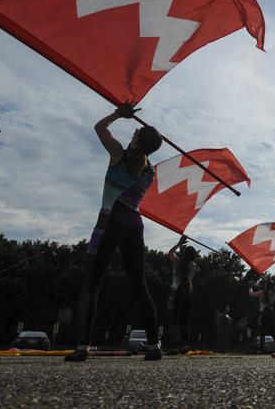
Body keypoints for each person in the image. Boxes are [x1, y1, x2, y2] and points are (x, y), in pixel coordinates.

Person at [65, 104, 163, 362]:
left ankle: (82, 346)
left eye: (137, 132)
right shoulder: (150, 170)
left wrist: (119, 114)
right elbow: (143, 151)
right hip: (135, 223)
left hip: (111, 219)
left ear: (138, 138)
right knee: (139, 286)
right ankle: (154, 345)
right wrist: (142, 135)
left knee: (92, 283)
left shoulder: (119, 154)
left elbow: (99, 127)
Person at [167, 236, 198, 353]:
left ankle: (173, 346)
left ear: (184, 254)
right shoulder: (193, 266)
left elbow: (170, 252)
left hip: (176, 292)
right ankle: (184, 345)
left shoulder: (177, 262)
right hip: (189, 293)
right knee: (184, 321)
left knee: (174, 319)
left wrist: (179, 243)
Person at [250, 278, 275, 353]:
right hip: (271, 312)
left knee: (262, 332)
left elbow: (251, 294)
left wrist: (250, 287)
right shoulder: (273, 294)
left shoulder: (262, 292)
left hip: (264, 312)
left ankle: (261, 349)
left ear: (266, 285)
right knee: (273, 332)